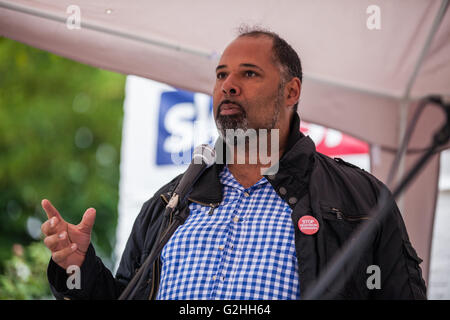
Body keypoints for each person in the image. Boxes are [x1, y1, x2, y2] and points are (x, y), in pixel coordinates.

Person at [41, 27, 427, 300]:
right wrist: (78, 268)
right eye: (221, 74)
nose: (228, 85)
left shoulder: (360, 199)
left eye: (249, 74)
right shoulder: (167, 204)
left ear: (291, 90)